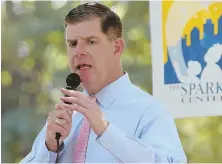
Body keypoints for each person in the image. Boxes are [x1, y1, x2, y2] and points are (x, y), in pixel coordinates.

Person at [21, 2, 187, 163]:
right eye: (72, 44)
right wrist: (49, 149)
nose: (78, 52)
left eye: (91, 42)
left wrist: (105, 130)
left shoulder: (150, 112)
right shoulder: (64, 116)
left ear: (117, 48)